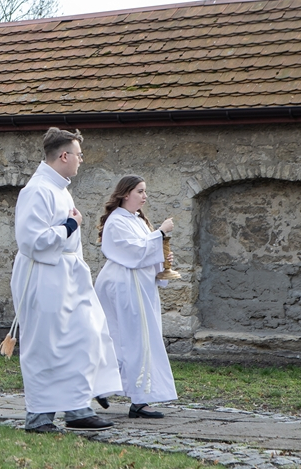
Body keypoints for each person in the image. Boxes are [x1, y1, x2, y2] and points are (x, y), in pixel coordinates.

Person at [11, 128, 122, 433]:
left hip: (67, 275)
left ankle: (77, 408)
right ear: (63, 156)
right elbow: (31, 241)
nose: (81, 160)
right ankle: (39, 416)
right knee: (46, 345)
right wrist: (70, 225)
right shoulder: (37, 190)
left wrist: (69, 229)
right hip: (43, 277)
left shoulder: (60, 188)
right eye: (78, 154)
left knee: (83, 336)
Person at [95, 176, 177, 419]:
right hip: (124, 285)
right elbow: (133, 252)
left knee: (131, 338)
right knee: (132, 338)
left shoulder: (137, 220)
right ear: (125, 194)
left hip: (138, 285)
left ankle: (103, 385)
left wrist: (163, 258)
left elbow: (145, 250)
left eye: (145, 191)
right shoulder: (117, 221)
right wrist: (160, 233)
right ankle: (138, 399)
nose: (145, 196)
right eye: (140, 191)